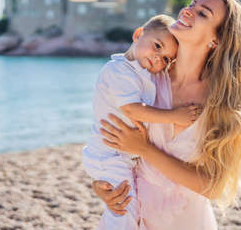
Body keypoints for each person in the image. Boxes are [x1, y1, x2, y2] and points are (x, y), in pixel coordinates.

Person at [92, 0, 241, 230]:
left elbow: (213, 187)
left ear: (216, 41)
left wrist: (145, 149)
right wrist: (103, 184)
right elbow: (109, 139)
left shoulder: (222, 102)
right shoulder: (145, 78)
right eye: (192, 4)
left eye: (202, 13)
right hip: (132, 216)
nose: (188, 11)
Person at [82, 14, 203, 230]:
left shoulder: (144, 74)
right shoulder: (119, 70)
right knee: (123, 207)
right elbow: (132, 109)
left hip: (122, 155)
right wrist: (175, 115)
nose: (159, 59)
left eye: (166, 59)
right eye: (157, 46)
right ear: (138, 34)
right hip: (108, 154)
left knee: (126, 206)